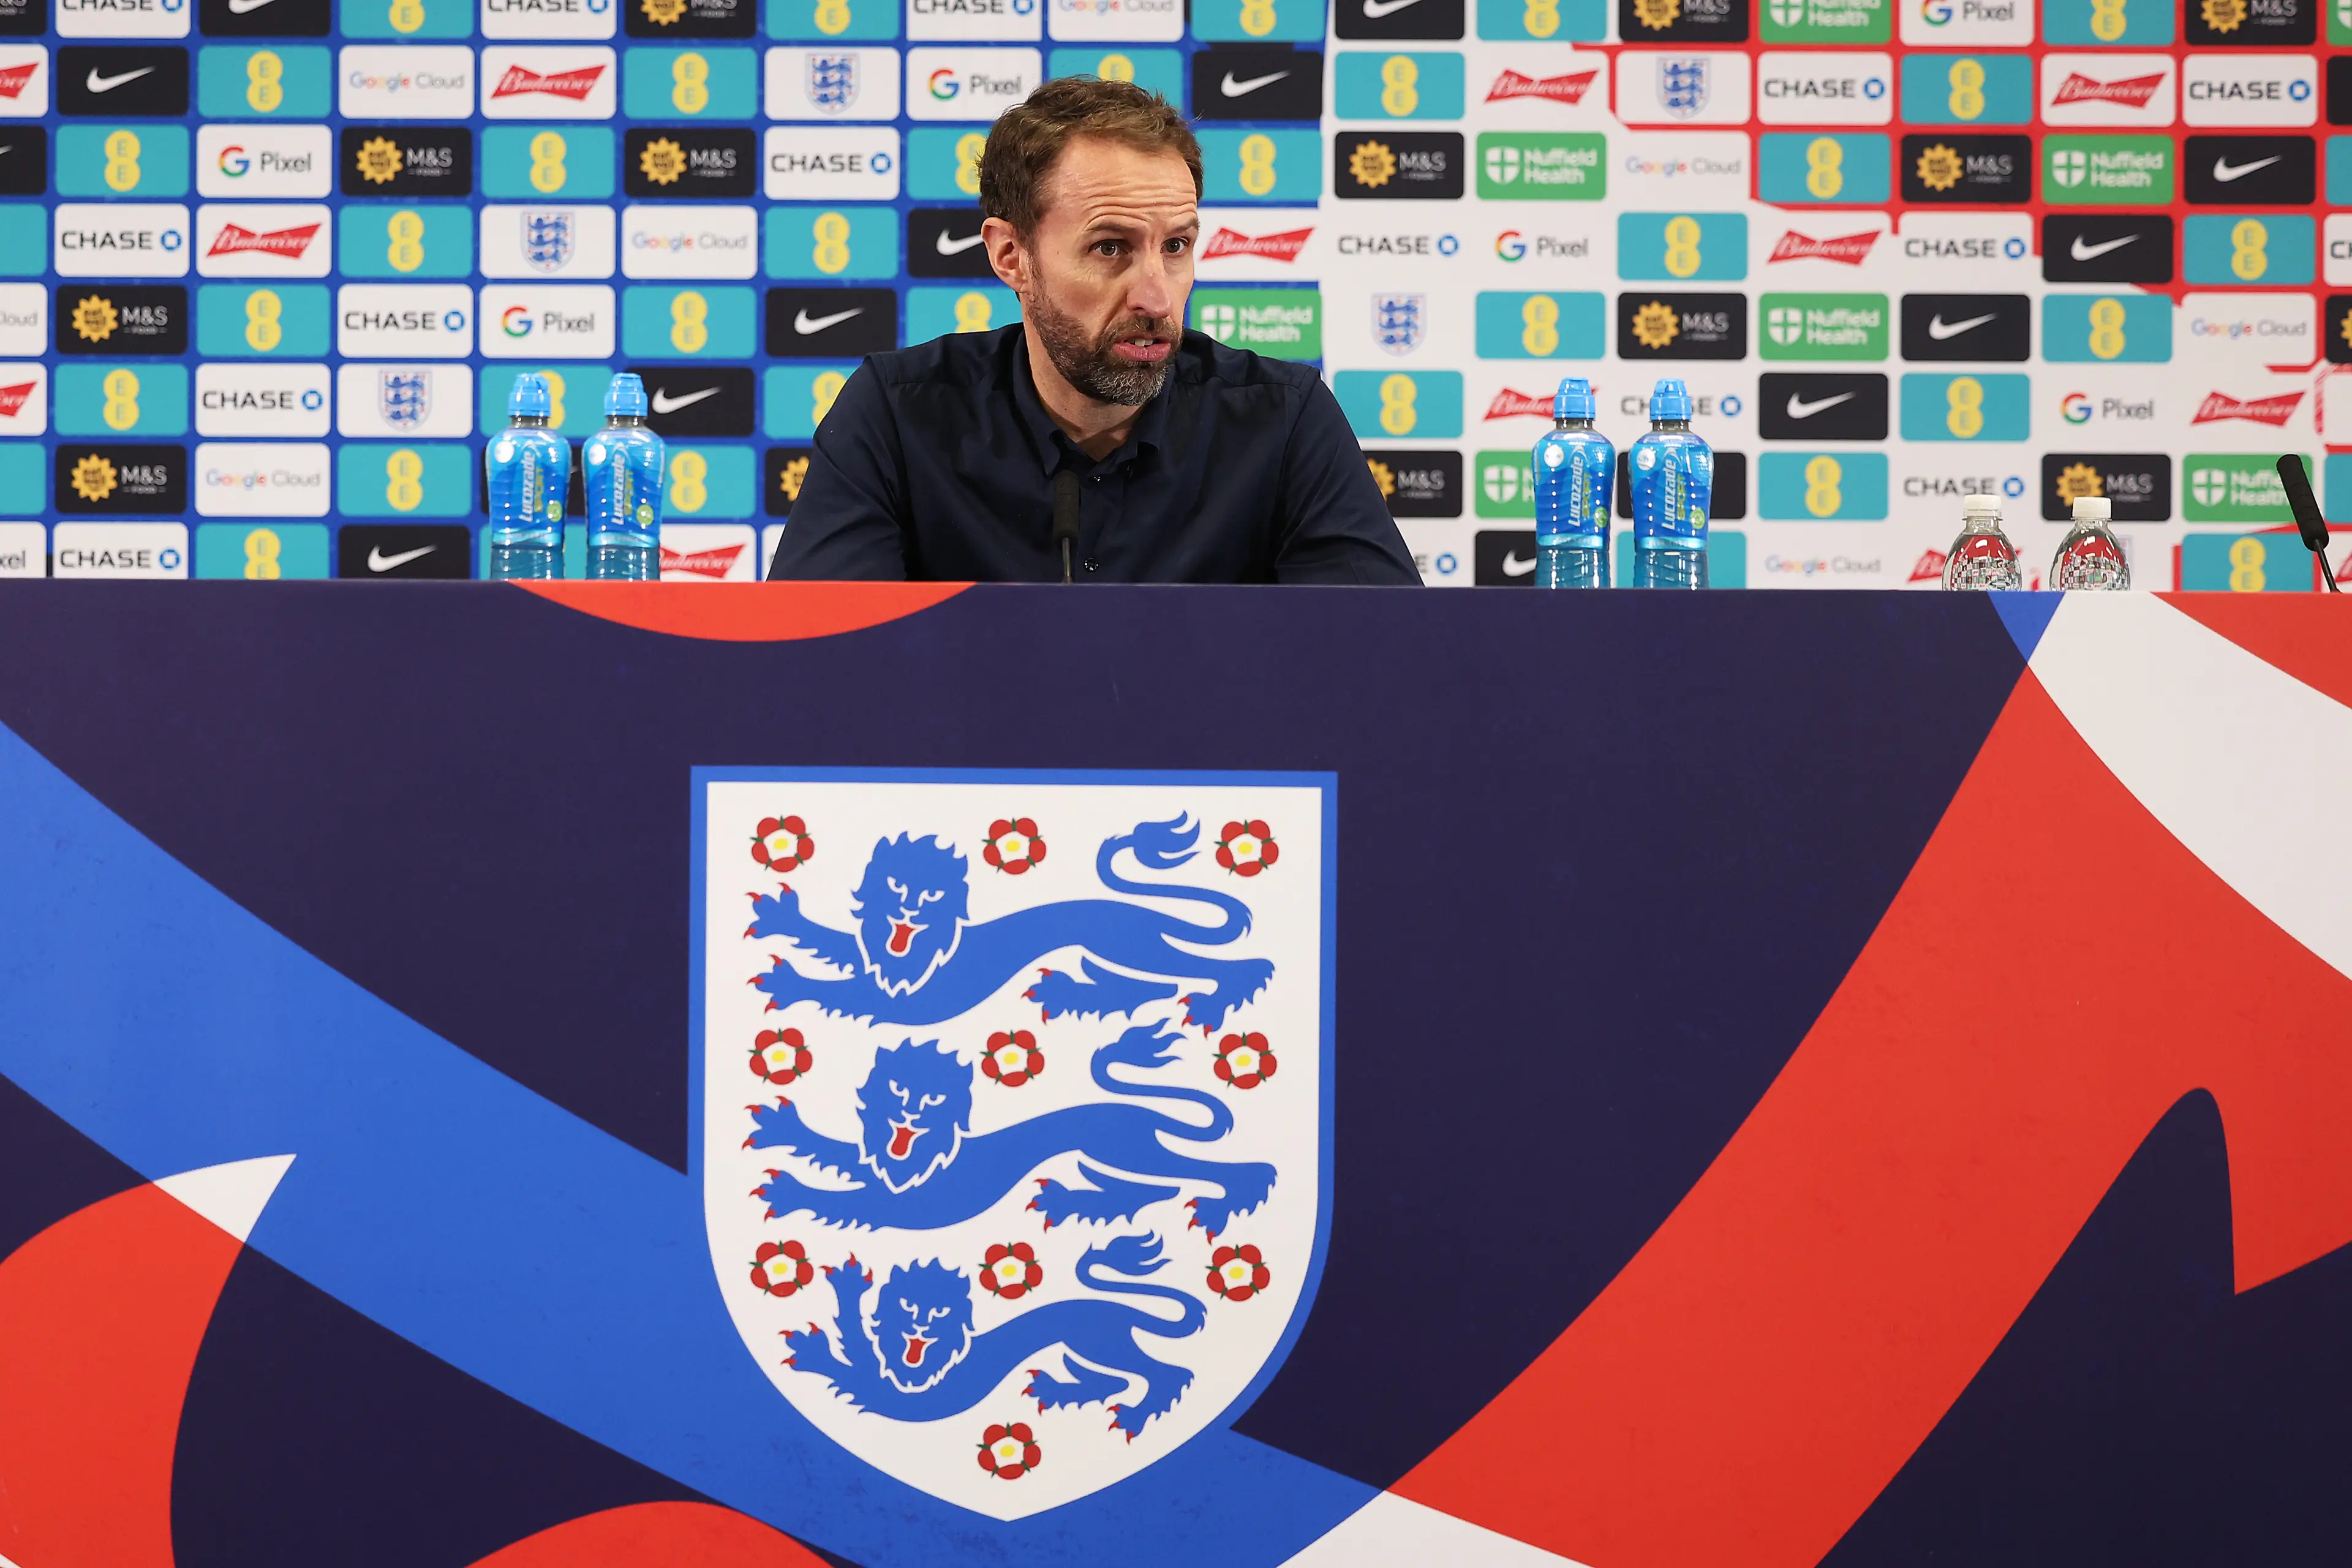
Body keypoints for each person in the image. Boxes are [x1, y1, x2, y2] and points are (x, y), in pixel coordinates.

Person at [764, 77, 1420, 586]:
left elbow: (1381, 672)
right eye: (1110, 249)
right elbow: (819, 670)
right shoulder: (898, 416)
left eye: (1176, 245)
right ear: (1010, 255)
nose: (1156, 295)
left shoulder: (1284, 422)